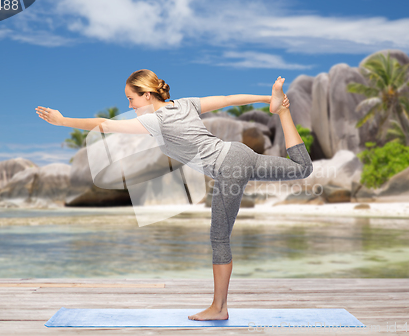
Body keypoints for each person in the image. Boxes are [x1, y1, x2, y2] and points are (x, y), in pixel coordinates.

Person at [35, 69, 313, 321]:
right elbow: (229, 99)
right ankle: (285, 113)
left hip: (228, 167)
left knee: (219, 238)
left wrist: (63, 121)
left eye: (131, 99)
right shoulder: (184, 103)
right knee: (302, 168)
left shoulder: (156, 121)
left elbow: (104, 125)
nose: (129, 106)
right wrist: (269, 98)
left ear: (146, 95)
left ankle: (219, 308)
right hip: (238, 153)